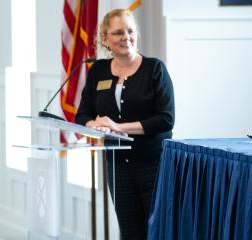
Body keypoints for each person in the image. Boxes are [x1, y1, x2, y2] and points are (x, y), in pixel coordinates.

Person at [75, 9, 175, 239]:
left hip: (154, 165)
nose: (126, 37)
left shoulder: (154, 69)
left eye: (130, 31)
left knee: (157, 232)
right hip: (117, 166)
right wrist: (95, 123)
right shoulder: (98, 71)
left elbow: (166, 119)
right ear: (104, 39)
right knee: (130, 233)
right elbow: (82, 115)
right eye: (118, 32)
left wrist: (118, 127)